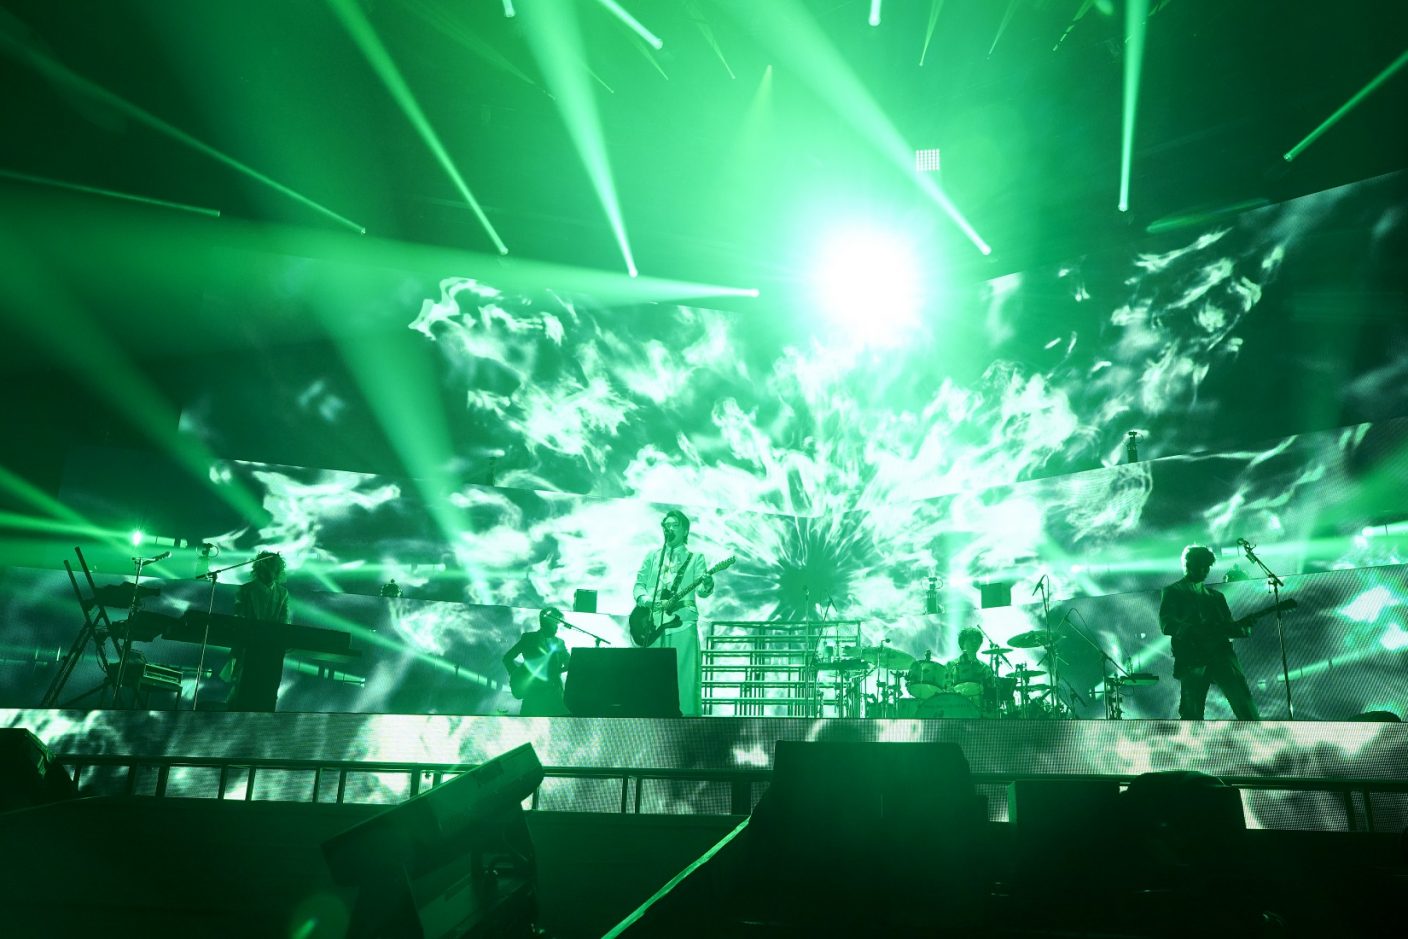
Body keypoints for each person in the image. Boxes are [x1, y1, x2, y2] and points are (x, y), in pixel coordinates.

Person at [1159, 545, 1260, 720]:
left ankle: (1258, 734)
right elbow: (1167, 624)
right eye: (1201, 565)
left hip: (1221, 655)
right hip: (1192, 658)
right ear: (1189, 565)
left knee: (1244, 703)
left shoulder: (1216, 597)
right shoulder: (1173, 592)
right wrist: (1194, 631)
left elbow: (1228, 627)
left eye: (1207, 566)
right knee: (1192, 713)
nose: (1206, 570)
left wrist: (1243, 628)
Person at [634, 509, 714, 717]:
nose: (669, 528)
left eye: (674, 525)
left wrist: (707, 584)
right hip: (653, 624)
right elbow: (639, 585)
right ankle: (648, 720)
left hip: (682, 623)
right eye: (666, 525)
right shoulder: (653, 557)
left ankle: (686, 721)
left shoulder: (695, 558)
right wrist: (647, 601)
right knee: (651, 676)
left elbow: (702, 591)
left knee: (683, 676)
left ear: (685, 530)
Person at [226, 551, 291, 712]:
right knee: (243, 690)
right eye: (268, 566)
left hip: (272, 652)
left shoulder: (283, 593)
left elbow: (284, 623)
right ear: (260, 568)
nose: (271, 571)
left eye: (274, 567)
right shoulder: (246, 590)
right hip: (248, 648)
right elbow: (239, 618)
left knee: (268, 693)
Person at [502, 608, 570, 716]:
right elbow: (507, 658)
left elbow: (569, 663)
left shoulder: (560, 643)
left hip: (554, 695)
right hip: (533, 695)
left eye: (558, 623)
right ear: (546, 622)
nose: (557, 627)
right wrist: (516, 674)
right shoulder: (528, 638)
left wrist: (557, 670)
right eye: (555, 623)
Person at [946, 626, 999, 715]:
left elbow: (990, 691)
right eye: (970, 639)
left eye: (977, 639)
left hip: (979, 710)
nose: (974, 641)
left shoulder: (985, 668)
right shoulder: (951, 665)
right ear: (962, 642)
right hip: (955, 707)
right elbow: (945, 687)